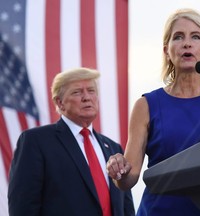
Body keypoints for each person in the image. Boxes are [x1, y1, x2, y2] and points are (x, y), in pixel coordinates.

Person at [106, 8, 200, 216]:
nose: (187, 43)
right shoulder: (145, 105)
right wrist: (119, 170)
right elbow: (127, 179)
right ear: (166, 51)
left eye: (195, 37)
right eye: (178, 37)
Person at [8, 68, 135, 216]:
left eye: (91, 91)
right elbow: (22, 206)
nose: (87, 97)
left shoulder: (113, 148)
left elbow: (126, 209)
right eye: (77, 92)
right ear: (60, 102)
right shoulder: (36, 141)